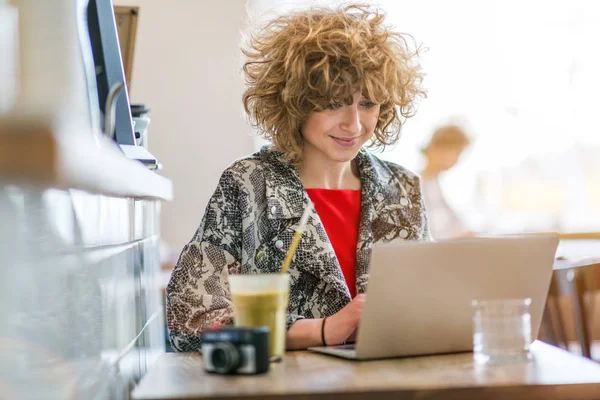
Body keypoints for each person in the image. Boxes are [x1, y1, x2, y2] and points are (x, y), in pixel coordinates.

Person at [166, 3, 430, 353]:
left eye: (367, 103)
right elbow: (191, 319)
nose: (353, 124)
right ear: (294, 102)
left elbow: (430, 304)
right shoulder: (248, 184)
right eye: (334, 103)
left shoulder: (402, 189)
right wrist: (321, 330)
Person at [420, 125, 473, 239]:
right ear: (439, 148)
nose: (457, 160)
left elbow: (453, 223)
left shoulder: (434, 183)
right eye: (457, 153)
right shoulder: (418, 184)